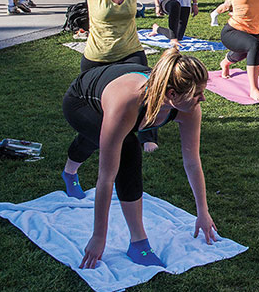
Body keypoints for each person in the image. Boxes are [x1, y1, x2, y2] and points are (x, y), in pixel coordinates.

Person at [63, 48, 218, 269]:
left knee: (103, 139)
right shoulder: (127, 102)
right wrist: (99, 236)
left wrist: (203, 212)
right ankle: (138, 242)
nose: (202, 98)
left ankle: (69, 171)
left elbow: (192, 161)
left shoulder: (190, 109)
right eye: (197, 94)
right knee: (126, 148)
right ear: (172, 94)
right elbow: (106, 177)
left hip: (118, 90)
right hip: (81, 101)